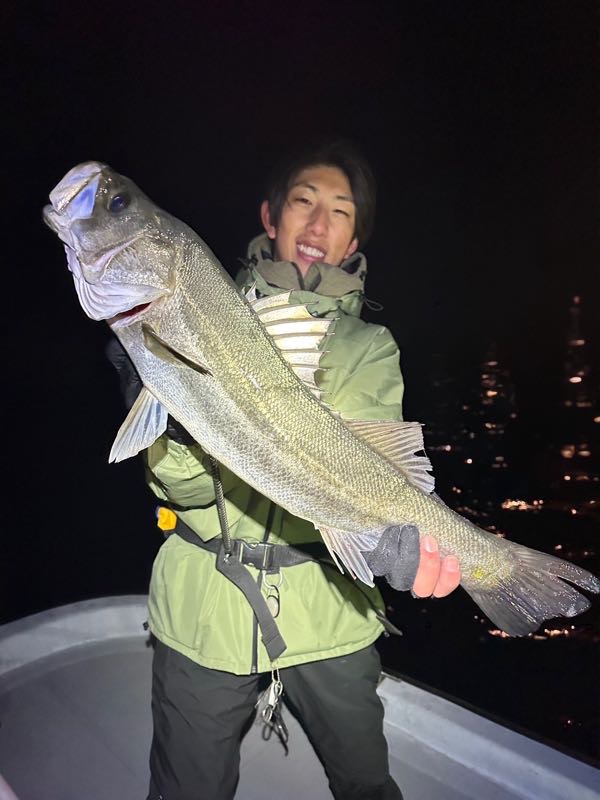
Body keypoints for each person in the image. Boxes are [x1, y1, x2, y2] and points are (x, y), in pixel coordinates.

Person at [108, 140, 461, 800]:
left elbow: (362, 471)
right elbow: (181, 488)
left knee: (366, 785)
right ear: (271, 217)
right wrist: (175, 419)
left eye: (341, 212)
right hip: (203, 611)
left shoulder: (367, 346)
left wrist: (394, 535)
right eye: (304, 202)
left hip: (331, 607)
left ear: (355, 239)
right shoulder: (201, 310)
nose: (320, 224)